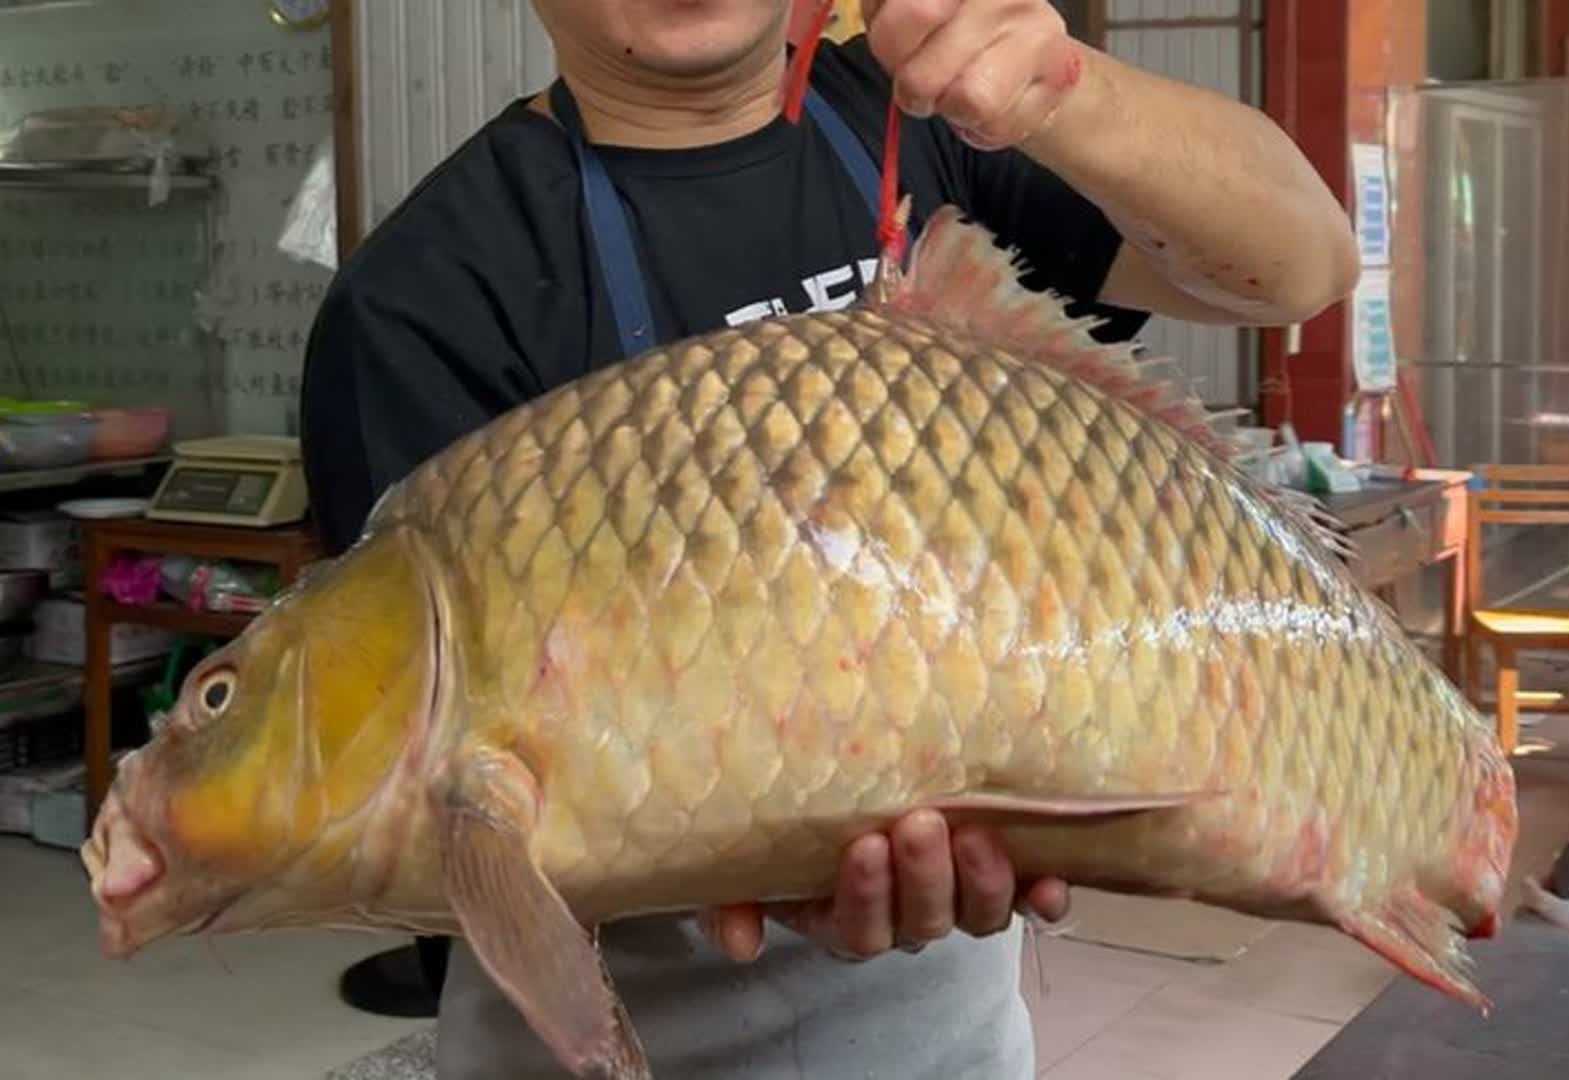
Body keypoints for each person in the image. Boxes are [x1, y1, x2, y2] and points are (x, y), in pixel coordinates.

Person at [298, 1, 1358, 1075]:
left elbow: (1305, 263)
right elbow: (427, 814)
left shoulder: (937, 131)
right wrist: (773, 836)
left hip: (948, 1039)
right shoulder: (419, 300)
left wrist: (1054, 85)